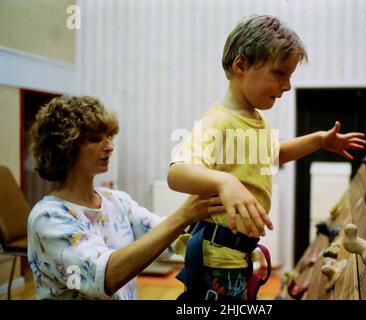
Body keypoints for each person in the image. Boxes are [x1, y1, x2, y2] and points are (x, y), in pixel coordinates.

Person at [167, 14, 366, 300]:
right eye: (279, 73)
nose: (287, 86)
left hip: (239, 255)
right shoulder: (218, 120)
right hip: (216, 260)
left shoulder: (256, 120)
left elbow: (275, 154)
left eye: (289, 76)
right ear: (241, 65)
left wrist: (320, 140)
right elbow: (177, 173)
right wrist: (226, 182)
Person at [27, 95, 224, 300]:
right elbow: (104, 277)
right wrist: (186, 213)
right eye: (95, 139)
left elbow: (170, 237)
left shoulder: (116, 201)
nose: (110, 146)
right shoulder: (48, 218)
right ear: (64, 148)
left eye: (108, 136)